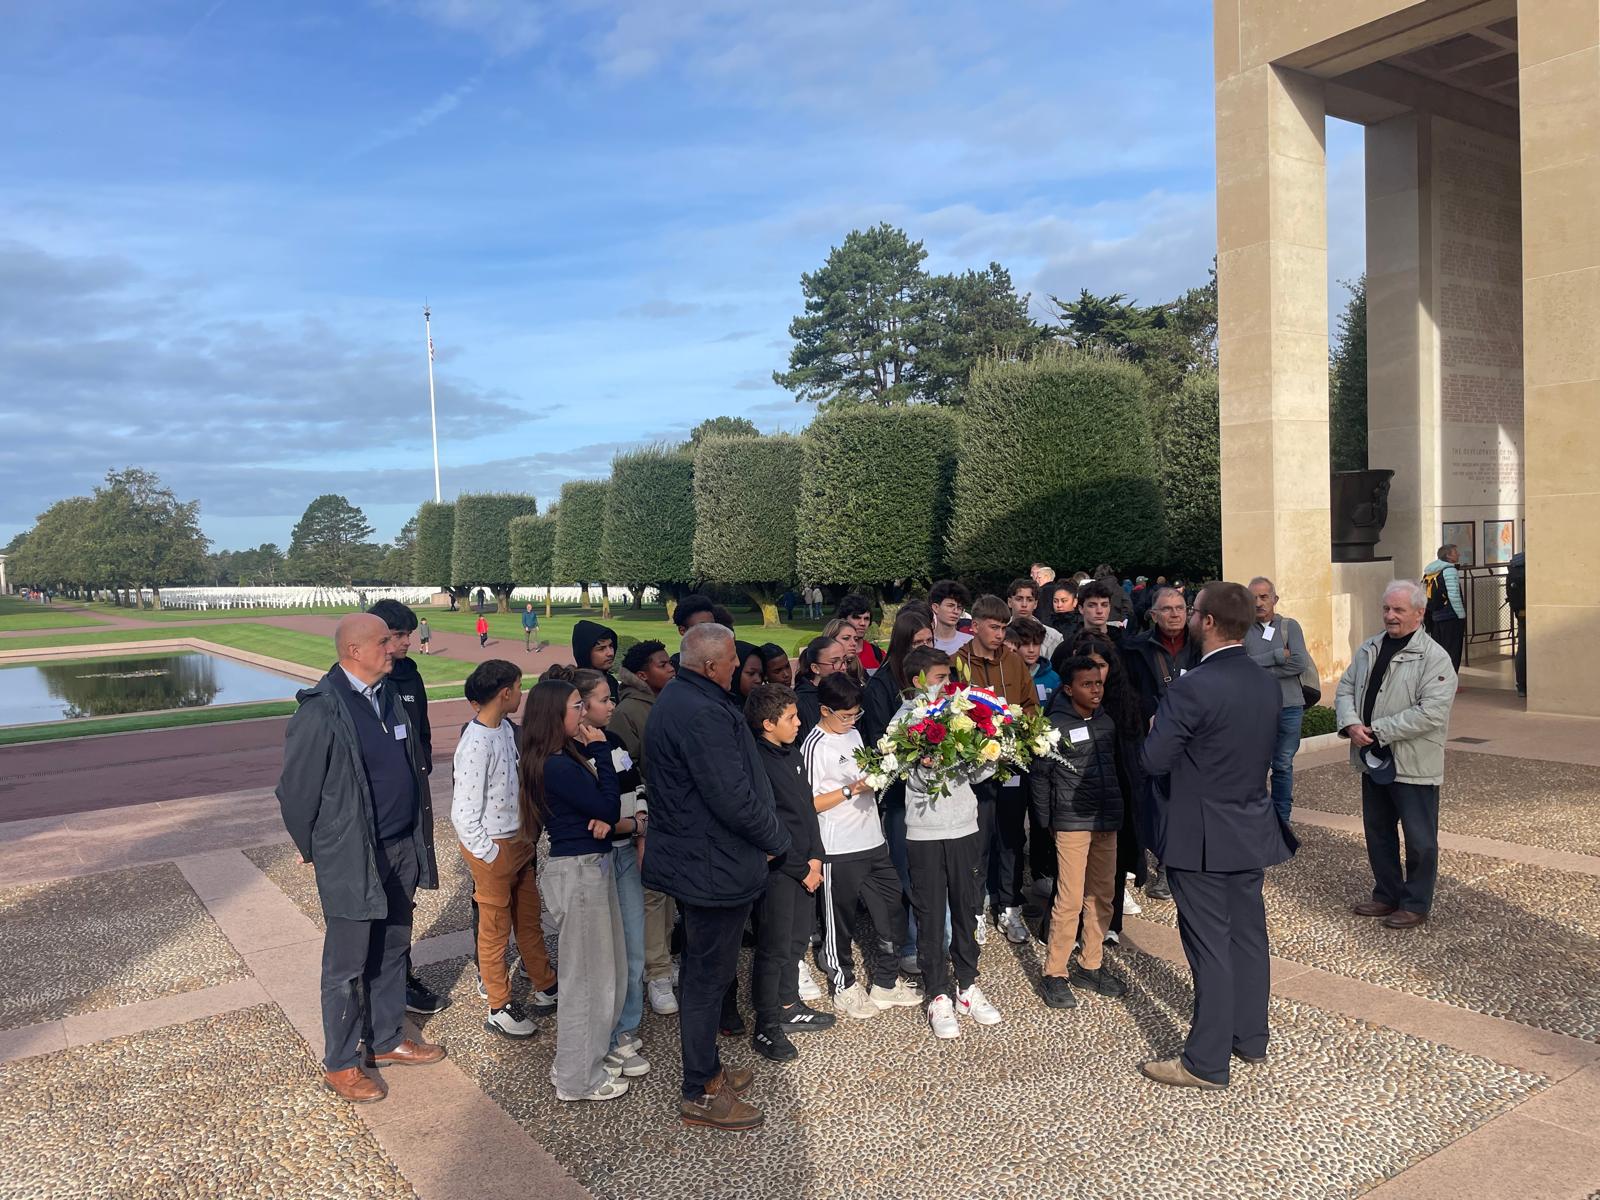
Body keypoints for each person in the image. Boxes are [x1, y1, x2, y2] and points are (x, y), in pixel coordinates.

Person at [275, 614, 445, 1104]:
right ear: (354, 650)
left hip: (401, 847)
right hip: (353, 856)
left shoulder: (388, 695)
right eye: (384, 642)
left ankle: (387, 1038)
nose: (393, 648)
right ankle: (342, 1062)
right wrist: (315, 847)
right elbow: (295, 792)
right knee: (347, 963)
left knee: (392, 947)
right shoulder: (322, 709)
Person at [1137, 582, 1294, 1091]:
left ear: (1206, 621)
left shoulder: (1193, 687)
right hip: (1249, 824)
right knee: (1247, 936)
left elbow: (1153, 760)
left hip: (1199, 832)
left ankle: (1205, 1061)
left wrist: (1158, 725)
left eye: (1193, 611)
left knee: (1209, 945)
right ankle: (1250, 1037)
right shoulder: (1264, 682)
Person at [644, 623, 789, 1131]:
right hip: (711, 864)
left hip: (704, 860)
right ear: (709, 666)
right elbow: (731, 797)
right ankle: (701, 1089)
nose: (736, 668)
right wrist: (777, 838)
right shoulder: (701, 710)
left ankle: (708, 1071)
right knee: (706, 979)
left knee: (707, 973)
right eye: (730, 661)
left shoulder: (683, 696)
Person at [521, 675, 628, 1103]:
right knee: (586, 981)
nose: (583, 712)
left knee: (602, 973)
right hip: (579, 871)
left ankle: (583, 1061)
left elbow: (601, 807)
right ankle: (576, 1079)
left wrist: (601, 808)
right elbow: (606, 806)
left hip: (587, 866)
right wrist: (600, 751)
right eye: (575, 706)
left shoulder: (560, 756)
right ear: (555, 715)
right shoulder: (556, 763)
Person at [547, 664, 652, 1079]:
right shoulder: (569, 756)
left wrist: (636, 824)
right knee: (602, 958)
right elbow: (597, 812)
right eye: (603, 700)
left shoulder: (612, 740)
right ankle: (604, 1040)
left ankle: (623, 1029)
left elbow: (634, 786)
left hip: (623, 854)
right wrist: (622, 823)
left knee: (632, 949)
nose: (612, 706)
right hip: (596, 860)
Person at [1334, 580, 1457, 930]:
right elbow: (1345, 688)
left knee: (1420, 840)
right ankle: (1386, 894)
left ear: (1419, 614)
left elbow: (1431, 713)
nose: (1390, 615)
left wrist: (1379, 730)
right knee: (1378, 831)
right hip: (1373, 759)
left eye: (1399, 610)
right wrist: (1351, 723)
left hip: (1413, 762)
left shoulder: (1435, 657)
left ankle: (1415, 903)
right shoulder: (1369, 647)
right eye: (1387, 608)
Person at [895, 647, 1002, 1038]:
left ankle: (968, 985)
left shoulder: (962, 712)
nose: (947, 684)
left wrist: (990, 747)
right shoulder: (903, 720)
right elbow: (896, 769)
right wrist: (922, 763)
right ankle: (937, 992)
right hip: (925, 831)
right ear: (918, 681)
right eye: (940, 677)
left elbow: (975, 774)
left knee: (967, 907)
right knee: (929, 913)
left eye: (948, 677)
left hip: (963, 827)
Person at [803, 673, 921, 1020]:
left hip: (872, 840)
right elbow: (808, 803)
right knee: (839, 922)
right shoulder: (815, 745)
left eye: (857, 714)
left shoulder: (853, 733)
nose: (852, 721)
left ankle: (885, 981)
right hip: (837, 846)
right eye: (845, 716)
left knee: (891, 910)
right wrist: (851, 790)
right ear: (825, 710)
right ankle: (844, 984)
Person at [452, 660, 550, 1040]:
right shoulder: (475, 743)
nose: (521, 694)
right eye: (519, 687)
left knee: (529, 919)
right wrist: (489, 855)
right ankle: (499, 1005)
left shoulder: (506, 730)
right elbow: (463, 813)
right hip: (494, 847)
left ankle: (545, 982)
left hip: (518, 841)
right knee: (494, 931)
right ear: (505, 693)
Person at [1031, 656, 1128, 1009]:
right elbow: (1040, 777)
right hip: (1071, 822)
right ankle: (1054, 972)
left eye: (1098, 683)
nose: (1095, 690)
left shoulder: (1106, 721)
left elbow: (1117, 768)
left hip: (1106, 820)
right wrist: (1046, 821)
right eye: (1087, 684)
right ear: (1069, 689)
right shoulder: (1054, 726)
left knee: (1102, 896)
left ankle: (1091, 964)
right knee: (1069, 899)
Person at [367, 599, 446, 1018]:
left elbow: (423, 733)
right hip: (378, 814)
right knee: (375, 904)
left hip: (412, 806)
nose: (406, 642)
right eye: (399, 635)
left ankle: (401, 976)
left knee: (404, 897)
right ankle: (376, 986)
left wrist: (421, 765)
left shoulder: (410, 676)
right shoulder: (364, 683)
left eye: (407, 635)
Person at [745, 683, 832, 1062]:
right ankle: (766, 1025)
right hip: (781, 870)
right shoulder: (758, 762)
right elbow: (768, 824)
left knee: (796, 941)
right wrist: (799, 867)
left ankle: (788, 1004)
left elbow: (806, 811)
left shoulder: (791, 752)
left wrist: (817, 858)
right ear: (768, 723)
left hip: (806, 865)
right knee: (774, 948)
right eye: (791, 718)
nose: (799, 723)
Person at [955, 594, 1040, 947]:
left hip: (1012, 764)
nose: (1000, 634)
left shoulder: (1014, 661)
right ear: (975, 626)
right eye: (994, 627)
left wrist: (1020, 730)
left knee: (1010, 838)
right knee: (977, 841)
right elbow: (950, 712)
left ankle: (1009, 905)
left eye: (1004, 627)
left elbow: (1031, 705)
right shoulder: (957, 662)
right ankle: (975, 909)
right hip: (974, 769)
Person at [860, 605, 935, 976]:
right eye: (917, 643)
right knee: (905, 871)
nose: (924, 648)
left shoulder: (936, 678)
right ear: (902, 644)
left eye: (929, 641)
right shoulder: (882, 685)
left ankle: (933, 938)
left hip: (934, 791)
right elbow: (876, 740)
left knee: (933, 871)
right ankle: (907, 941)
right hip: (900, 794)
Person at [609, 639, 678, 1016]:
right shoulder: (629, 711)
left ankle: (662, 959)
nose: (670, 668)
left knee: (666, 894)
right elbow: (628, 768)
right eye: (661, 664)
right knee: (652, 895)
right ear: (641, 674)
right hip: (648, 814)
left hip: (671, 810)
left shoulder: (666, 701)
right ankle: (657, 973)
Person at [1068, 633, 1149, 944]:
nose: (1096, 672)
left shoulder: (1126, 701)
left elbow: (1136, 751)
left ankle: (1110, 923)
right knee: (1077, 864)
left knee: (1113, 862)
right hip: (1080, 791)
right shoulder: (1067, 701)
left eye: (1101, 665)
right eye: (1088, 664)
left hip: (1119, 791)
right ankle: (1074, 927)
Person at [1121, 585, 1199, 900]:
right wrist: (1147, 717)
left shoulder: (1201, 646)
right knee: (1157, 802)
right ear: (1153, 615)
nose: (1175, 614)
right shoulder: (1135, 648)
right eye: (1167, 609)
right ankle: (1161, 864)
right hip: (1152, 737)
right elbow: (1129, 693)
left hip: (1195, 738)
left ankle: (1182, 863)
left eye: (1180, 608)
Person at [1244, 577, 1312, 823]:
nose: (1258, 603)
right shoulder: (1242, 629)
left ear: (1275, 599)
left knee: (1283, 764)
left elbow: (1299, 662)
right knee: (1255, 765)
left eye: (1264, 597)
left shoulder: (1289, 627)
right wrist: (1276, 655)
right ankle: (1258, 818)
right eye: (1253, 598)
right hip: (1256, 708)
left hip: (1289, 706)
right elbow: (1241, 664)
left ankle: (1282, 820)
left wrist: (1259, 668)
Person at [793, 635, 847, 742]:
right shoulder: (803, 702)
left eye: (844, 660)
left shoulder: (846, 690)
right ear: (815, 668)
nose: (843, 667)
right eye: (834, 662)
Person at [1422, 544, 1467, 671]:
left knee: (1439, 650)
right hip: (1451, 616)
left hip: (1435, 615)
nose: (1458, 554)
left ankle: (1438, 678)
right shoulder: (1449, 570)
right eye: (1455, 552)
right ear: (1448, 556)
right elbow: (1454, 595)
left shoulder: (1431, 572)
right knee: (1453, 650)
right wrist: (1461, 616)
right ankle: (1450, 679)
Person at [1006, 615, 1059, 706]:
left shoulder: (1053, 679)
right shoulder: (1001, 674)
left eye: (1036, 644)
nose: (1031, 650)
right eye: (1025, 644)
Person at [1008, 578, 1064, 661]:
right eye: (1019, 599)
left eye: (1029, 600)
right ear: (1009, 602)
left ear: (1035, 604)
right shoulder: (999, 633)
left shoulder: (1053, 637)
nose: (1024, 604)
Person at [836, 593, 887, 675]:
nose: (862, 623)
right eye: (856, 617)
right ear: (843, 620)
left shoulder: (878, 654)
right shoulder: (828, 656)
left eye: (866, 619)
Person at [571, 618, 620, 702]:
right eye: (601, 649)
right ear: (585, 653)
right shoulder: (574, 687)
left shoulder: (611, 681)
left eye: (611, 646)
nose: (610, 653)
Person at [929, 580, 973, 655]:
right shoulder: (926, 642)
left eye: (959, 607)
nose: (956, 611)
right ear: (936, 608)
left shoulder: (971, 643)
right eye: (950, 606)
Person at [823, 618, 869, 686]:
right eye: (846, 638)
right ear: (830, 640)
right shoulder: (821, 672)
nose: (854, 643)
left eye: (855, 639)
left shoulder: (859, 670)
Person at [1507, 551, 1526, 696]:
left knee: (1522, 648)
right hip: (1532, 610)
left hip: (1521, 612)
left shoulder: (1514, 566)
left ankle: (1521, 686)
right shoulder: (1532, 564)